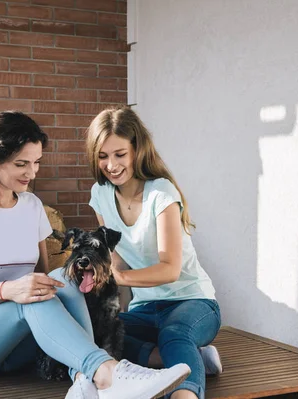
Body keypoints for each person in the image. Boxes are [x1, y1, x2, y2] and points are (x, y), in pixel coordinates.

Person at [0, 111, 191, 399]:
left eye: (36, 162)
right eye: (21, 164)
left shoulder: (31, 206)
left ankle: (84, 382)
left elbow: (46, 281)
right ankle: (106, 374)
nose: (32, 172)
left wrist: (36, 287)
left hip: (19, 346)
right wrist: (11, 289)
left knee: (56, 280)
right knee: (29, 296)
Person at [85, 107, 223, 399]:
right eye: (103, 156)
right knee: (98, 332)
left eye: (120, 154)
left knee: (175, 333)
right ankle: (190, 358)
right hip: (146, 309)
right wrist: (110, 304)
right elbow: (117, 257)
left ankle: (184, 392)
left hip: (192, 301)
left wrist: (117, 277)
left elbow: (169, 269)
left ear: (137, 150)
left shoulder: (161, 193)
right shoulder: (100, 195)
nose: (111, 165)